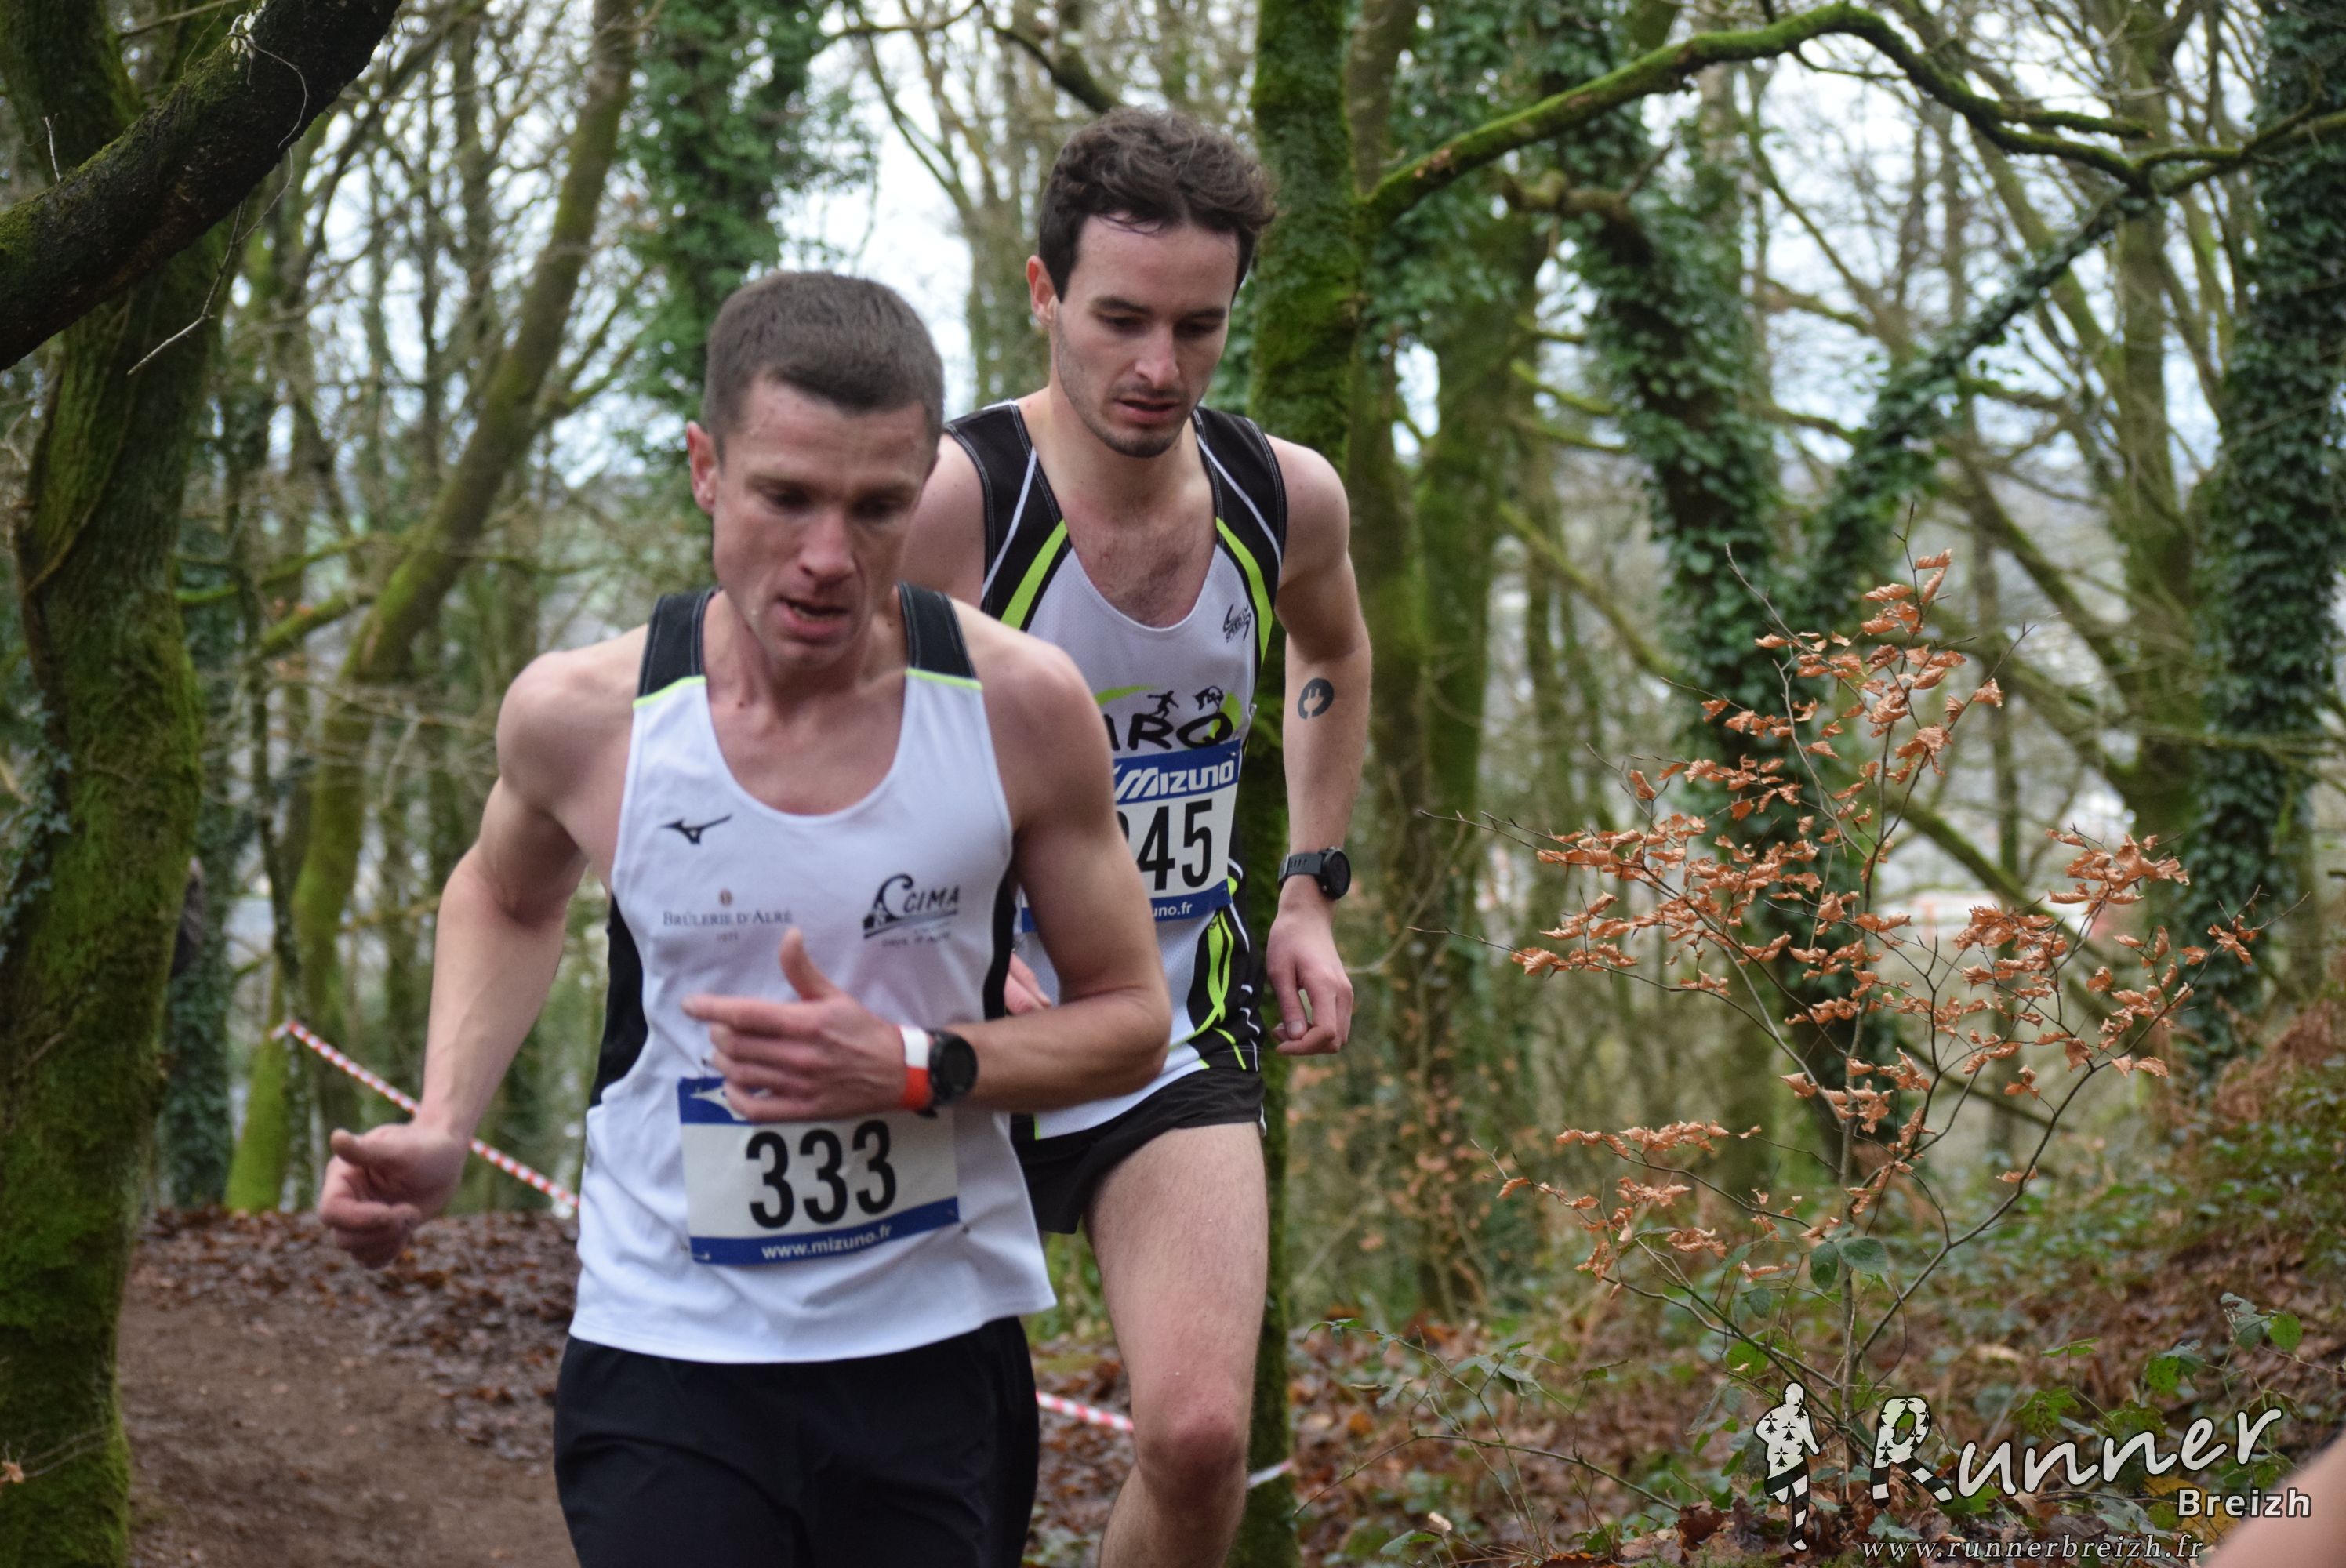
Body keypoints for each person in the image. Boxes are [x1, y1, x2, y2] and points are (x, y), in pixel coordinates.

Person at [318, 271, 1171, 1568]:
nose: (829, 556)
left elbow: (1130, 1020)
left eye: (877, 507)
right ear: (706, 469)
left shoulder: (1021, 707)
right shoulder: (586, 717)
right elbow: (504, 894)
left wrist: (915, 1066)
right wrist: (445, 1122)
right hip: (669, 1344)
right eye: (787, 496)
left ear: (924, 490)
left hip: (932, 1345)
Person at [903, 107, 1373, 1568]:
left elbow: (1333, 652)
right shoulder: (959, 501)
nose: (1160, 367)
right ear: (1045, 294)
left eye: (1198, 327)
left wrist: (1307, 889)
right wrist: (943, 944)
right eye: (1120, 319)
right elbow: (831, 746)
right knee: (927, 1484)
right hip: (958, 1034)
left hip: (1173, 1019)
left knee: (1200, 1440)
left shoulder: (1280, 496)